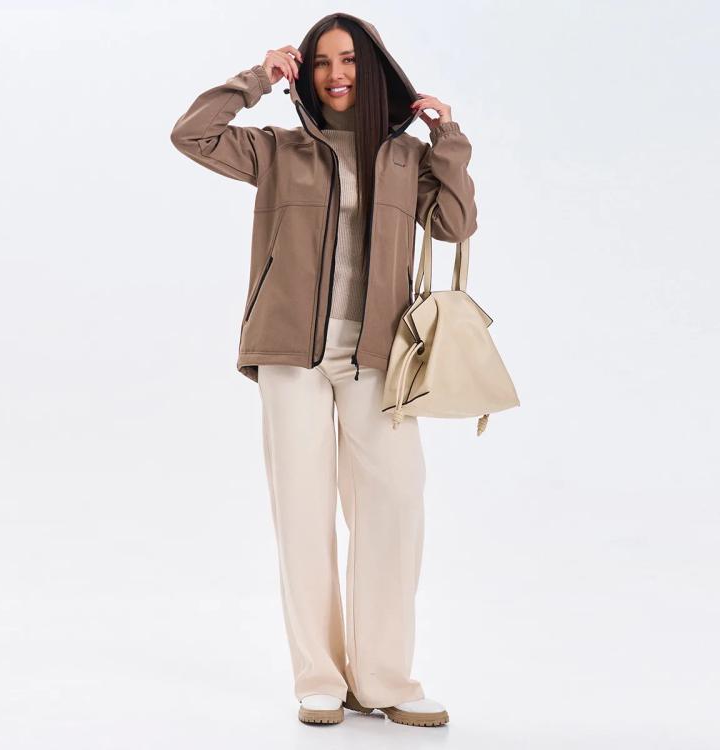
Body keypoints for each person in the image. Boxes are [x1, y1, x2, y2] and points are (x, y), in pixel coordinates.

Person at [170, 12, 477, 728]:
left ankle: (384, 677)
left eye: (349, 61)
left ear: (374, 70)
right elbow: (192, 134)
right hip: (290, 355)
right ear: (305, 73)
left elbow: (455, 224)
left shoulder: (404, 157)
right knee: (303, 515)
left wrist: (450, 140)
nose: (337, 74)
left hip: (378, 357)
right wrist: (256, 77)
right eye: (321, 62)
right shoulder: (277, 150)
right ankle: (319, 677)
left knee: (394, 508)